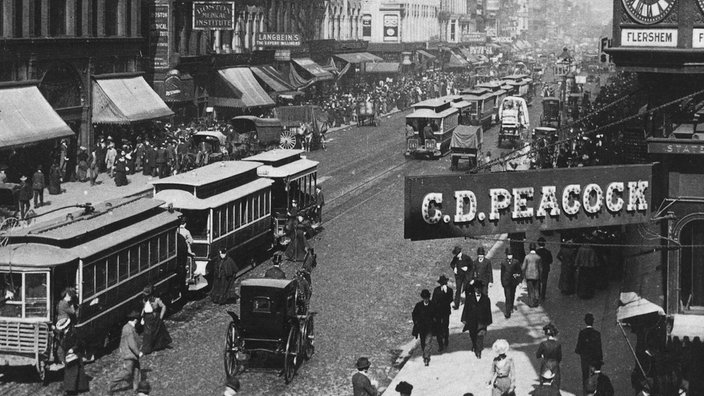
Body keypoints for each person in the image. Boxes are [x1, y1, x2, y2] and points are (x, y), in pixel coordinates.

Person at [109, 310, 142, 395]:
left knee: (136, 371)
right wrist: (138, 353)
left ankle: (136, 389)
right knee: (127, 372)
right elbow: (132, 344)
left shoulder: (128, 327)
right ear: (135, 319)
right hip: (130, 354)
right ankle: (111, 385)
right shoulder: (129, 329)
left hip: (132, 354)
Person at [461, 281, 492, 359]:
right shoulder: (469, 298)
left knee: (480, 336)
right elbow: (466, 309)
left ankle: (478, 351)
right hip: (472, 320)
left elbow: (488, 311)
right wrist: (464, 318)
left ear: (481, 289)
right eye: (476, 288)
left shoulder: (486, 299)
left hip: (482, 321)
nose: (478, 290)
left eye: (479, 288)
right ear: (474, 289)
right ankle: (474, 345)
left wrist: (488, 320)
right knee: (473, 335)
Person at [60, 319, 89, 395]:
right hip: (68, 356)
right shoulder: (64, 334)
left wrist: (73, 349)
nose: (63, 330)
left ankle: (71, 390)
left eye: (64, 328)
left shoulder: (74, 332)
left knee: (72, 373)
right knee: (73, 373)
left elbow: (80, 342)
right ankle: (76, 388)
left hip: (75, 355)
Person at [140, 285, 172, 355]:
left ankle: (146, 349)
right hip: (147, 317)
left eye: (147, 295)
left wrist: (161, 316)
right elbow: (145, 307)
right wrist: (142, 314)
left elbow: (163, 306)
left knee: (153, 332)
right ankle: (148, 347)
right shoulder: (145, 300)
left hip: (154, 317)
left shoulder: (157, 300)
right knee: (148, 333)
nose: (146, 296)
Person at [575, 312, 603, 389]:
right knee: (594, 378)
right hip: (594, 360)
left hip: (585, 360)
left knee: (585, 378)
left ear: (585, 322)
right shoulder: (597, 334)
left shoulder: (582, 333)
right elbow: (599, 349)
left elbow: (578, 349)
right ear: (593, 322)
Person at [412, 289, 437, 366]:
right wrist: (416, 322)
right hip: (422, 327)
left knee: (428, 342)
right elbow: (414, 315)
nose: (426, 299)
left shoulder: (433, 305)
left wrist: (435, 320)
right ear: (423, 298)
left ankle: (426, 357)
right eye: (425, 298)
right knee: (423, 342)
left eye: (427, 298)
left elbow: (436, 314)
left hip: (430, 327)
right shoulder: (418, 306)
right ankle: (425, 353)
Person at [536, 323, 562, 388]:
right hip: (555, 364)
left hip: (546, 364)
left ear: (546, 334)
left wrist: (542, 355)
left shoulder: (543, 344)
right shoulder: (558, 344)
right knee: (556, 383)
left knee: (544, 383)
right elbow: (560, 357)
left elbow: (537, 355)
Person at [431, 274, 453, 352]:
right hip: (437, 312)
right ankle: (440, 345)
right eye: (441, 283)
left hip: (446, 311)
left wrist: (445, 292)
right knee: (438, 328)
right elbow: (433, 301)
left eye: (444, 283)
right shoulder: (436, 290)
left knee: (445, 326)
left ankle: (446, 340)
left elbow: (450, 299)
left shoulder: (449, 290)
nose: (443, 284)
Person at [500, 248, 522, 319]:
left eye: (511, 255)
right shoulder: (503, 262)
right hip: (506, 283)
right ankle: (507, 312)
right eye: (508, 255)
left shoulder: (516, 262)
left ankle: (511, 306)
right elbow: (502, 273)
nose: (509, 256)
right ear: (506, 255)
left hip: (513, 282)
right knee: (507, 297)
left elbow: (519, 272)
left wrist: (519, 281)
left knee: (512, 295)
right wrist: (503, 282)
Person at [450, 245, 473, 310]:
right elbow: (451, 264)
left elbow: (472, 266)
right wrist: (454, 268)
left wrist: (467, 268)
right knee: (458, 289)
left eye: (457, 254)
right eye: (456, 254)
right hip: (458, 277)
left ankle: (468, 303)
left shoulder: (466, 258)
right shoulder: (455, 258)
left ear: (460, 253)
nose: (457, 256)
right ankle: (456, 305)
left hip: (466, 276)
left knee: (466, 289)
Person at [522, 243, 542, 308]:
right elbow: (540, 268)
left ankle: (531, 303)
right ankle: (536, 301)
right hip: (536, 275)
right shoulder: (538, 257)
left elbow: (523, 267)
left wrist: (523, 275)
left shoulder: (527, 257)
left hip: (529, 276)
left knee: (530, 290)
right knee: (536, 289)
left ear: (529, 248)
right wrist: (540, 275)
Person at [535, 237, 553, 302]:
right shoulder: (548, 252)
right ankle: (543, 296)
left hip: (538, 269)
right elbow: (550, 261)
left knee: (538, 282)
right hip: (545, 268)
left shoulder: (536, 252)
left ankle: (539, 294)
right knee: (544, 282)